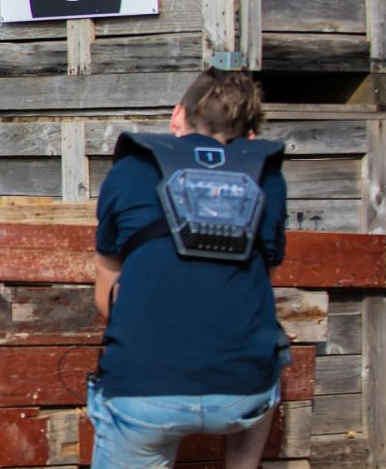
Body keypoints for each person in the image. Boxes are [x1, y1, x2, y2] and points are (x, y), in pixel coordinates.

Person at [89, 69, 289, 468]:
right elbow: (258, 291)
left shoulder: (129, 171)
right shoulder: (268, 179)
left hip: (145, 393)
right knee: (267, 366)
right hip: (241, 393)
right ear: (249, 136)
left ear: (177, 115)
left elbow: (106, 296)